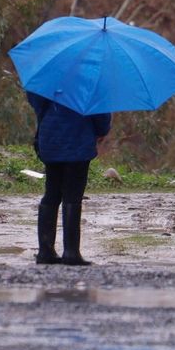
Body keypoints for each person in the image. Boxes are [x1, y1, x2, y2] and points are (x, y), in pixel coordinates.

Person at [27, 91, 111, 266]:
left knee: (51, 193)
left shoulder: (47, 77)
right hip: (79, 140)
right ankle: (71, 252)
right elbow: (100, 111)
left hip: (50, 139)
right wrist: (102, 130)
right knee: (72, 196)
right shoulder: (90, 80)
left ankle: (45, 250)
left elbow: (36, 102)